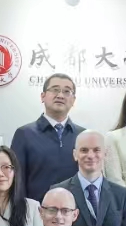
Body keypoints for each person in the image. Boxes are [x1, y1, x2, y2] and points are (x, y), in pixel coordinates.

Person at [10, 73, 82, 201]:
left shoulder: (82, 136)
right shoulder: (24, 134)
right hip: (36, 210)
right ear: (43, 96)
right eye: (55, 89)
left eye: (67, 91)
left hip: (75, 211)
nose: (60, 95)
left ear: (73, 100)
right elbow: (17, 181)